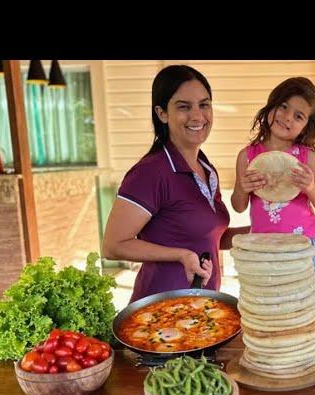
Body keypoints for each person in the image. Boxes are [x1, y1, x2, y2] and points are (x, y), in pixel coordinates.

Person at [102, 65, 247, 303]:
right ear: (162, 113)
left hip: (202, 307)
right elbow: (113, 245)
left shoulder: (206, 169)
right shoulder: (150, 172)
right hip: (159, 313)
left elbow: (208, 237)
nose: (198, 116)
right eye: (183, 107)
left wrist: (262, 232)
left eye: (204, 104)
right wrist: (181, 255)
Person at [230, 77, 315, 283]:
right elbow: (238, 206)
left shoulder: (306, 157)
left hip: (301, 244)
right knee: (268, 300)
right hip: (262, 244)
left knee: (302, 299)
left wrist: (310, 187)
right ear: (271, 106)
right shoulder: (248, 156)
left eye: (298, 116)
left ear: (306, 127)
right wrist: (242, 187)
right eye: (283, 107)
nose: (287, 117)